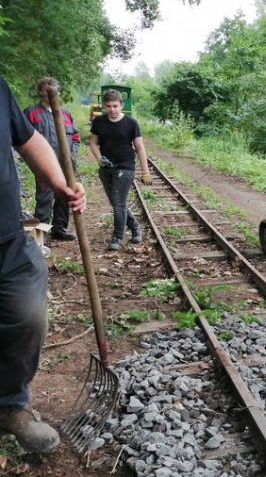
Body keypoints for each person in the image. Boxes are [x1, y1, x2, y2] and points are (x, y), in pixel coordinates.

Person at [0, 75, 86, 452]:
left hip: (7, 236)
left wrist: (58, 180)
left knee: (29, 316)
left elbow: (27, 139)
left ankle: (9, 405)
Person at [89, 89, 152, 251]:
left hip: (125, 167)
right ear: (104, 106)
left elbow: (140, 148)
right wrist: (99, 158)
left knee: (118, 204)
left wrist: (145, 172)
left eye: (115, 106)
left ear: (121, 105)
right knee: (117, 203)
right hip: (106, 168)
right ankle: (135, 227)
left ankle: (117, 238)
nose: (112, 109)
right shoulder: (99, 122)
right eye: (108, 106)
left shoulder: (131, 123)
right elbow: (93, 143)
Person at [24, 77, 81, 241]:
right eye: (47, 89)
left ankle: (59, 229)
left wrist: (72, 156)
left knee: (65, 197)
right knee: (44, 200)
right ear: (40, 92)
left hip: (66, 166)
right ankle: (39, 238)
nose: (51, 92)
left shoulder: (66, 114)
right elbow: (25, 139)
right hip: (44, 167)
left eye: (54, 89)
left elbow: (76, 138)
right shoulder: (32, 112)